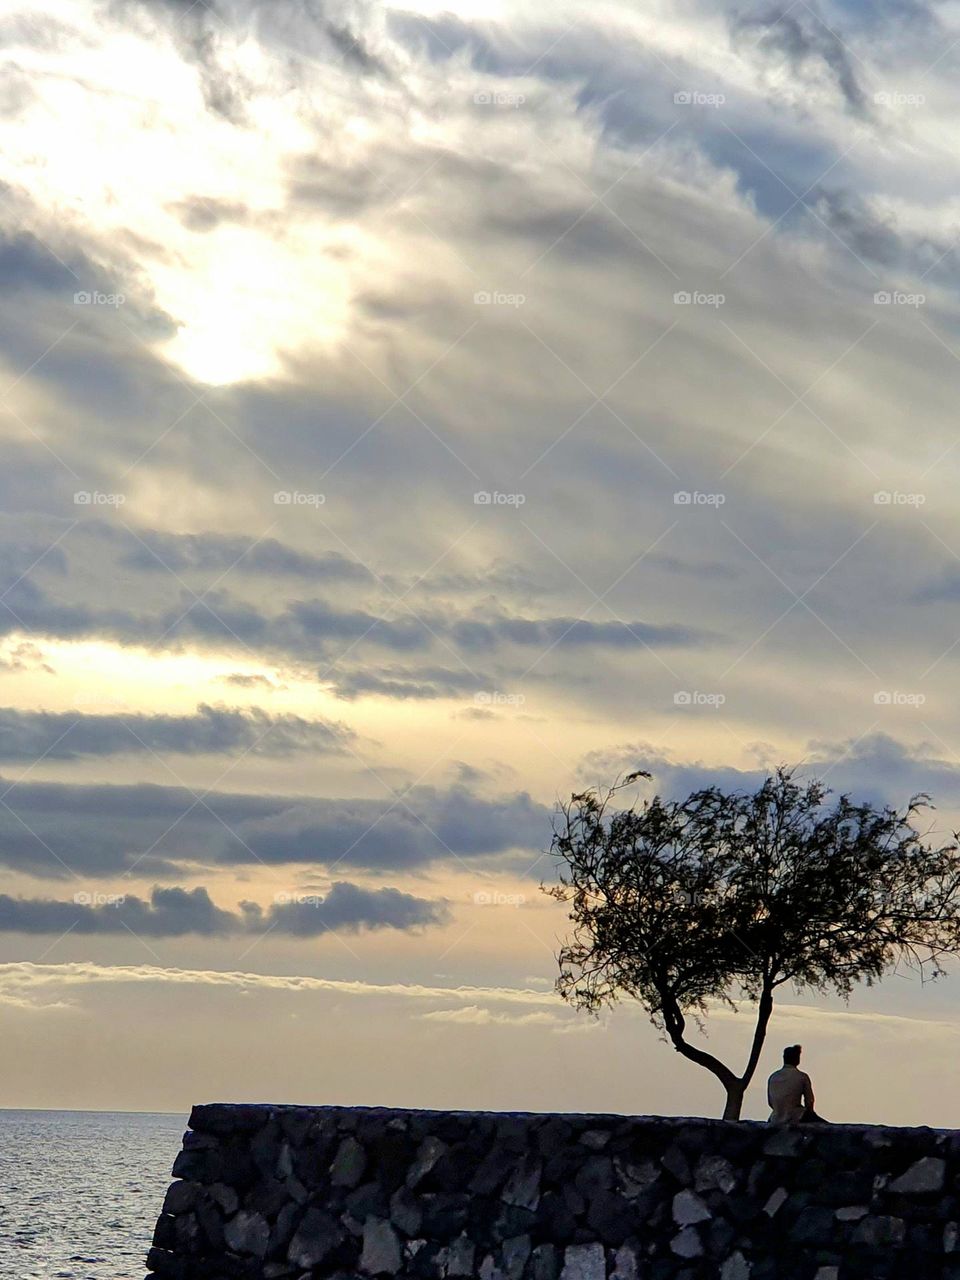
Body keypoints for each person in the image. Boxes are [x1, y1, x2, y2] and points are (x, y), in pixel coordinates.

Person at [766, 1045, 825, 1124]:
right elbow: (809, 1101)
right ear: (797, 1059)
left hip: (775, 1117)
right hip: (796, 1116)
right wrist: (810, 1114)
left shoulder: (773, 1077)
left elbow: (770, 1103)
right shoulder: (802, 1077)